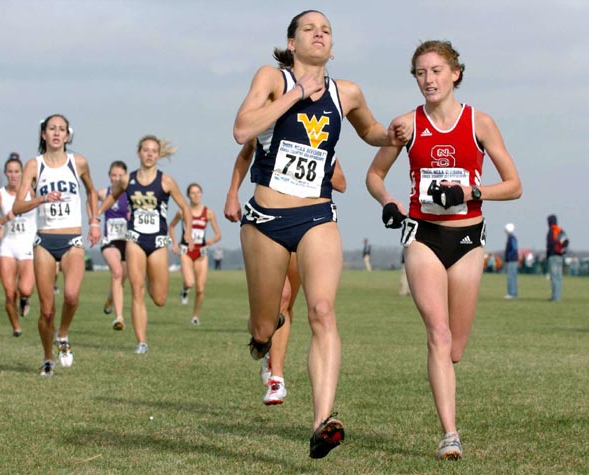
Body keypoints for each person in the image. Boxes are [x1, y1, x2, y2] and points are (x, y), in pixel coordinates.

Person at [232, 10, 408, 459]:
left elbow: (370, 131)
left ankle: (321, 421)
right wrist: (294, 97)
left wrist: (393, 133)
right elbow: (242, 130)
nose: (319, 34)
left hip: (317, 216)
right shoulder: (272, 78)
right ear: (292, 42)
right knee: (264, 322)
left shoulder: (345, 92)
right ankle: (259, 342)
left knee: (322, 310)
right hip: (267, 221)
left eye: (326, 30)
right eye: (309, 29)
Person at [366, 40, 522, 460]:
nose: (428, 79)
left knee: (454, 347)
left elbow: (514, 185)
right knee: (437, 333)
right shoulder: (406, 124)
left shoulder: (480, 123)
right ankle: (449, 434)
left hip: (468, 239)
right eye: (420, 72)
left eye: (436, 71)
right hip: (423, 235)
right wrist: (390, 203)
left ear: (455, 73)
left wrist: (471, 189)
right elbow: (375, 175)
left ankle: (447, 383)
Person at [224, 140, 347, 407]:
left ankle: (276, 375)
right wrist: (232, 193)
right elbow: (245, 153)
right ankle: (261, 336)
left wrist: (315, 161)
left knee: (287, 301)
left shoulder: (319, 134)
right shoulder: (268, 123)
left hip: (307, 222)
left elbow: (341, 183)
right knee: (271, 312)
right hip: (269, 220)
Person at [12, 114, 101, 376]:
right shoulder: (33, 165)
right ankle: (48, 357)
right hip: (45, 240)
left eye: (61, 129)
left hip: (72, 238)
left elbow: (92, 192)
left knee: (72, 296)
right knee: (47, 309)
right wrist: (40, 199)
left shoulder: (79, 163)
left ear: (67, 135)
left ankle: (63, 335)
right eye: (52, 129)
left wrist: (94, 222)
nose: (56, 133)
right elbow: (18, 206)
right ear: (43, 134)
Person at [99, 135, 193, 355]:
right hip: (135, 239)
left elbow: (185, 208)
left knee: (159, 299)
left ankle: (152, 275)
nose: (150, 154)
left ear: (158, 155)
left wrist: (186, 232)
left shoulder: (165, 181)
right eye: (146, 150)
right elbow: (112, 197)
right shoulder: (127, 180)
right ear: (138, 153)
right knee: (137, 290)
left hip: (159, 241)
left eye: (154, 151)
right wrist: (96, 217)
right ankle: (141, 341)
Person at [0, 153, 37, 338]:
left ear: (23, 173)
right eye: (10, 172)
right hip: (8, 245)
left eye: (17, 172)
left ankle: (24, 300)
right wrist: (4, 219)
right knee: (9, 293)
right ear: (5, 173)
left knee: (25, 289)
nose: (14, 175)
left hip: (27, 245)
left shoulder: (32, 192)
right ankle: (16, 327)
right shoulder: (0, 196)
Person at [169, 183, 222, 325]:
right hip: (186, 251)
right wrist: (174, 243)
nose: (196, 195)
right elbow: (171, 227)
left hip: (201, 252)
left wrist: (212, 240)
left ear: (202, 194)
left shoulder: (208, 212)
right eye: (192, 193)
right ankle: (184, 289)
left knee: (200, 288)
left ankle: (195, 316)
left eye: (198, 192)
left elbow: (218, 234)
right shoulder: (182, 212)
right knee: (189, 282)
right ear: (188, 196)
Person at [94, 160, 129, 330]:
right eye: (113, 175)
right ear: (109, 176)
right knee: (117, 272)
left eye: (120, 176)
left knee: (122, 278)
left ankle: (110, 297)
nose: (116, 179)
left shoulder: (131, 194)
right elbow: (89, 197)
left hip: (128, 242)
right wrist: (93, 218)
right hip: (110, 242)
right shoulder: (104, 193)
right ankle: (119, 317)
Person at [546, 214, 568, 302]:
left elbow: (550, 245)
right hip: (560, 256)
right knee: (559, 277)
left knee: (554, 277)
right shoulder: (560, 230)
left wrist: (548, 255)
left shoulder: (551, 231)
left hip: (553, 256)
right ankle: (557, 296)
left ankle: (555, 297)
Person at [504, 223, 519, 299]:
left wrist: (508, 256)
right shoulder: (512, 237)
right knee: (513, 277)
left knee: (511, 277)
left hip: (512, 260)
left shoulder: (511, 238)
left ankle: (511, 293)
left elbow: (514, 249)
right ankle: (514, 293)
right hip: (514, 260)